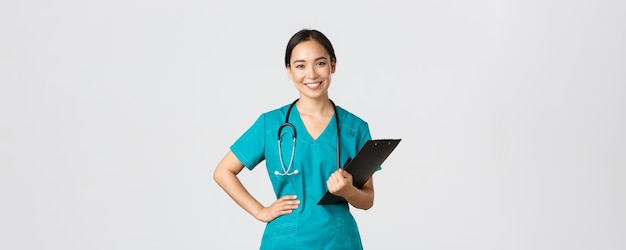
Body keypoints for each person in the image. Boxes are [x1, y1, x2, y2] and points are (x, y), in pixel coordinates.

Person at [213, 28, 378, 250]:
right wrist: (260, 210)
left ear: (333, 65)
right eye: (300, 65)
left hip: (339, 241)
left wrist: (348, 191)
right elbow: (223, 172)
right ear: (289, 71)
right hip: (285, 241)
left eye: (320, 63)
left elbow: (367, 199)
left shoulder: (355, 128)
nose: (311, 74)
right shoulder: (270, 125)